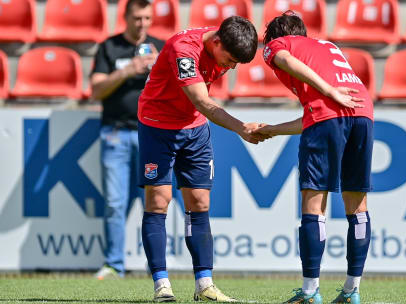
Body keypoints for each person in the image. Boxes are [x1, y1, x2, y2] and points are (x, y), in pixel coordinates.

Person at [137, 16, 266, 302]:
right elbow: (203, 102)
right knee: (158, 201)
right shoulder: (183, 49)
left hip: (194, 129)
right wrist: (240, 128)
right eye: (230, 60)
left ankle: (204, 285)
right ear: (216, 41)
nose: (229, 67)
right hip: (158, 126)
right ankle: (162, 285)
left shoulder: (220, 47)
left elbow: (200, 107)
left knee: (200, 202)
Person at [256, 12, 374, 304]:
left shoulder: (277, 45)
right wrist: (273, 130)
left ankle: (309, 292)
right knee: (357, 205)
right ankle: (352, 290)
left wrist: (328, 89)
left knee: (313, 202)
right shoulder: (328, 48)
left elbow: (284, 61)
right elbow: (317, 113)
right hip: (363, 112)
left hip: (333, 108)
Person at [91, 0, 164, 280]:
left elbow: (181, 87)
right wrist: (127, 70)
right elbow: (95, 90)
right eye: (137, 18)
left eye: (147, 18)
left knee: (155, 202)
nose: (142, 24)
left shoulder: (161, 46)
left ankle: (156, 267)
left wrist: (158, 68)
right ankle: (114, 264)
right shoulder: (109, 47)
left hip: (153, 135)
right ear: (126, 17)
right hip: (116, 133)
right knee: (114, 202)